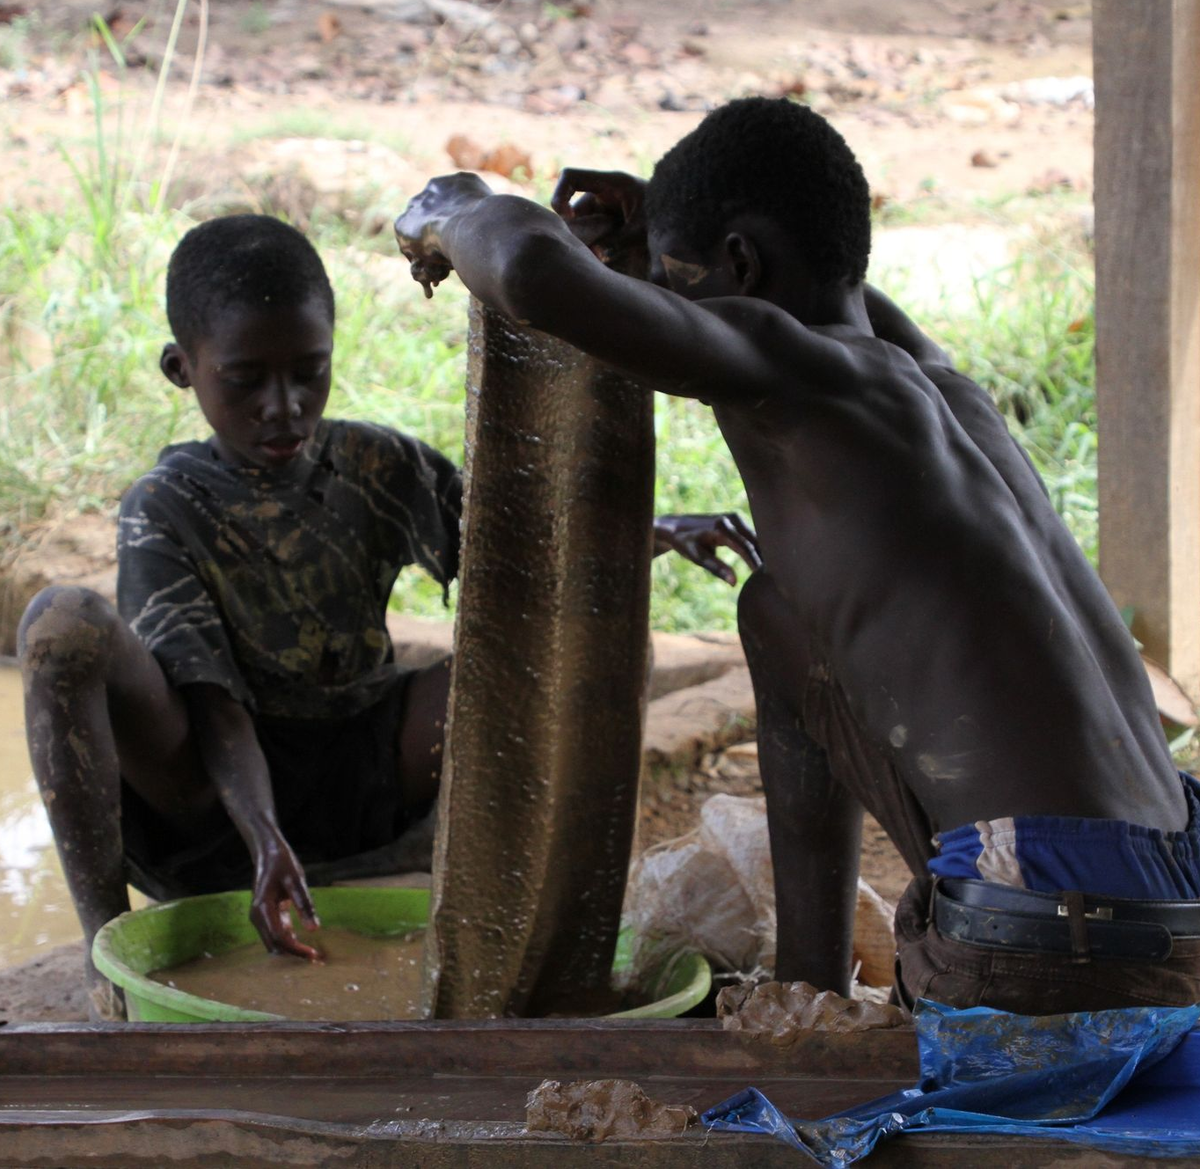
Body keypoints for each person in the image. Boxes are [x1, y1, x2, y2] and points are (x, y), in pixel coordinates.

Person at [395, 97, 1200, 1015]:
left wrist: (454, 204)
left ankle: (820, 993)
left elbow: (534, 272)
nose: (661, 300)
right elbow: (823, 283)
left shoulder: (802, 371)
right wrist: (665, 221)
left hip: (1052, 938)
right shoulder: (938, 384)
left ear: (740, 267)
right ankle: (809, 984)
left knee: (778, 608)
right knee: (778, 609)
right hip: (1177, 887)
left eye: (675, 281)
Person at [17, 214, 759, 1019]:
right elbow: (213, 708)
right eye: (245, 380)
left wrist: (644, 532)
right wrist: (265, 839)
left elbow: (519, 561)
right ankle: (106, 955)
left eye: (309, 372)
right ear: (181, 369)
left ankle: (533, 918)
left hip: (363, 769)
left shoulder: (377, 464)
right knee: (61, 623)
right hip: (214, 793)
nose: (283, 406)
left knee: (578, 644)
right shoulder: (166, 507)